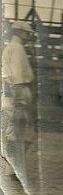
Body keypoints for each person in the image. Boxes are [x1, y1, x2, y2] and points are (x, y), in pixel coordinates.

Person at [1, 20, 35, 179]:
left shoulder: (10, 48)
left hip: (12, 95)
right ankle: (11, 171)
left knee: (22, 135)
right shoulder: (17, 49)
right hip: (16, 95)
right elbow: (18, 78)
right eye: (27, 33)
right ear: (20, 32)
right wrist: (20, 102)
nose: (28, 36)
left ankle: (12, 169)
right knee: (18, 134)